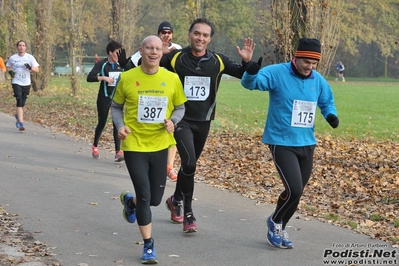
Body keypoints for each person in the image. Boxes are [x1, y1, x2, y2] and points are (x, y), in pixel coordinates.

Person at [241, 38, 339, 249]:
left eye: (314, 64)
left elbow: (327, 101)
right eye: (306, 62)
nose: (309, 67)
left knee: (298, 192)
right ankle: (275, 221)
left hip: (307, 143)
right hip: (281, 141)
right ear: (296, 57)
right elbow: (251, 84)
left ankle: (281, 225)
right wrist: (250, 71)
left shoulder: (318, 80)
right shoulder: (277, 73)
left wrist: (331, 115)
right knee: (293, 189)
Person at [159, 17, 255, 233]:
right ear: (189, 35)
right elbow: (149, 67)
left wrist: (247, 62)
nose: (200, 38)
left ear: (209, 39)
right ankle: (189, 212)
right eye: (197, 33)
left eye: (205, 35)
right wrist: (160, 53)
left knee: (188, 167)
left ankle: (175, 199)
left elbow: (242, 73)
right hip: (180, 119)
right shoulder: (175, 57)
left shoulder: (218, 60)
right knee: (190, 163)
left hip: (204, 122)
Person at [111, 35, 187, 264]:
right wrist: (120, 126)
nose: (153, 52)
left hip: (160, 144)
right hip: (134, 145)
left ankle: (130, 202)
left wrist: (173, 121)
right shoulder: (127, 77)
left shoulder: (172, 79)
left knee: (154, 199)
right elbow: (116, 107)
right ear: (141, 51)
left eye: (157, 48)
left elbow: (181, 107)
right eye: (149, 48)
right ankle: (148, 245)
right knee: (145, 196)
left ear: (162, 52)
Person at [120, 21, 182, 181]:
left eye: (169, 32)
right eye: (163, 32)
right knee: (145, 195)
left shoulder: (178, 49)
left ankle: (169, 165)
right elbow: (129, 65)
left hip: (168, 93)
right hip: (145, 91)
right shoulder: (149, 46)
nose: (166, 35)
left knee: (171, 131)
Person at [87, 40, 124, 161]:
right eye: (116, 53)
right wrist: (104, 78)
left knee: (116, 124)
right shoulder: (102, 64)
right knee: (102, 122)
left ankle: (118, 152)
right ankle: (95, 145)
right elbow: (89, 77)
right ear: (110, 52)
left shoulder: (122, 64)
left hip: (117, 99)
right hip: (104, 97)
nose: (118, 55)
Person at [6, 40, 40, 131]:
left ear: (25, 47)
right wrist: (11, 72)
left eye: (23, 45)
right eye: (20, 45)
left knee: (22, 103)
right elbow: (8, 66)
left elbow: (37, 70)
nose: (21, 47)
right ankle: (21, 123)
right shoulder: (13, 58)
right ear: (17, 47)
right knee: (19, 100)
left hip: (26, 83)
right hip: (16, 82)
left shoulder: (30, 58)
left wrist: (30, 68)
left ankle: (18, 115)